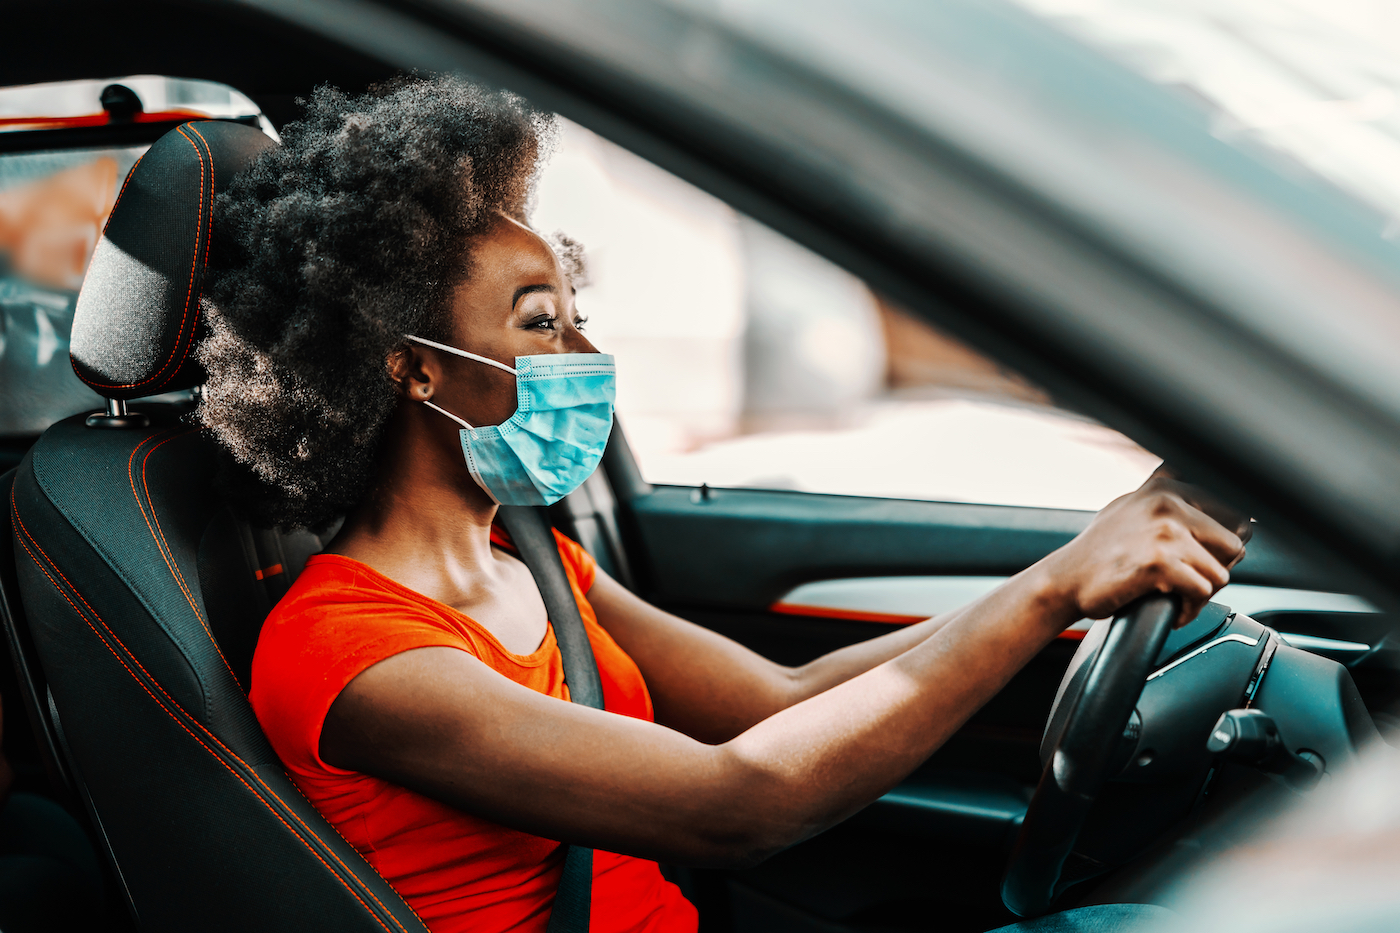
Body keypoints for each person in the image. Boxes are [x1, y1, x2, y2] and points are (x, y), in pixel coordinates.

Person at [200, 76, 1248, 933]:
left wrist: (1058, 578)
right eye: (539, 325)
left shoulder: (534, 566)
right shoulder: (349, 654)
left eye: (577, 318)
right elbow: (737, 804)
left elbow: (778, 706)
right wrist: (1048, 590)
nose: (586, 358)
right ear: (410, 369)